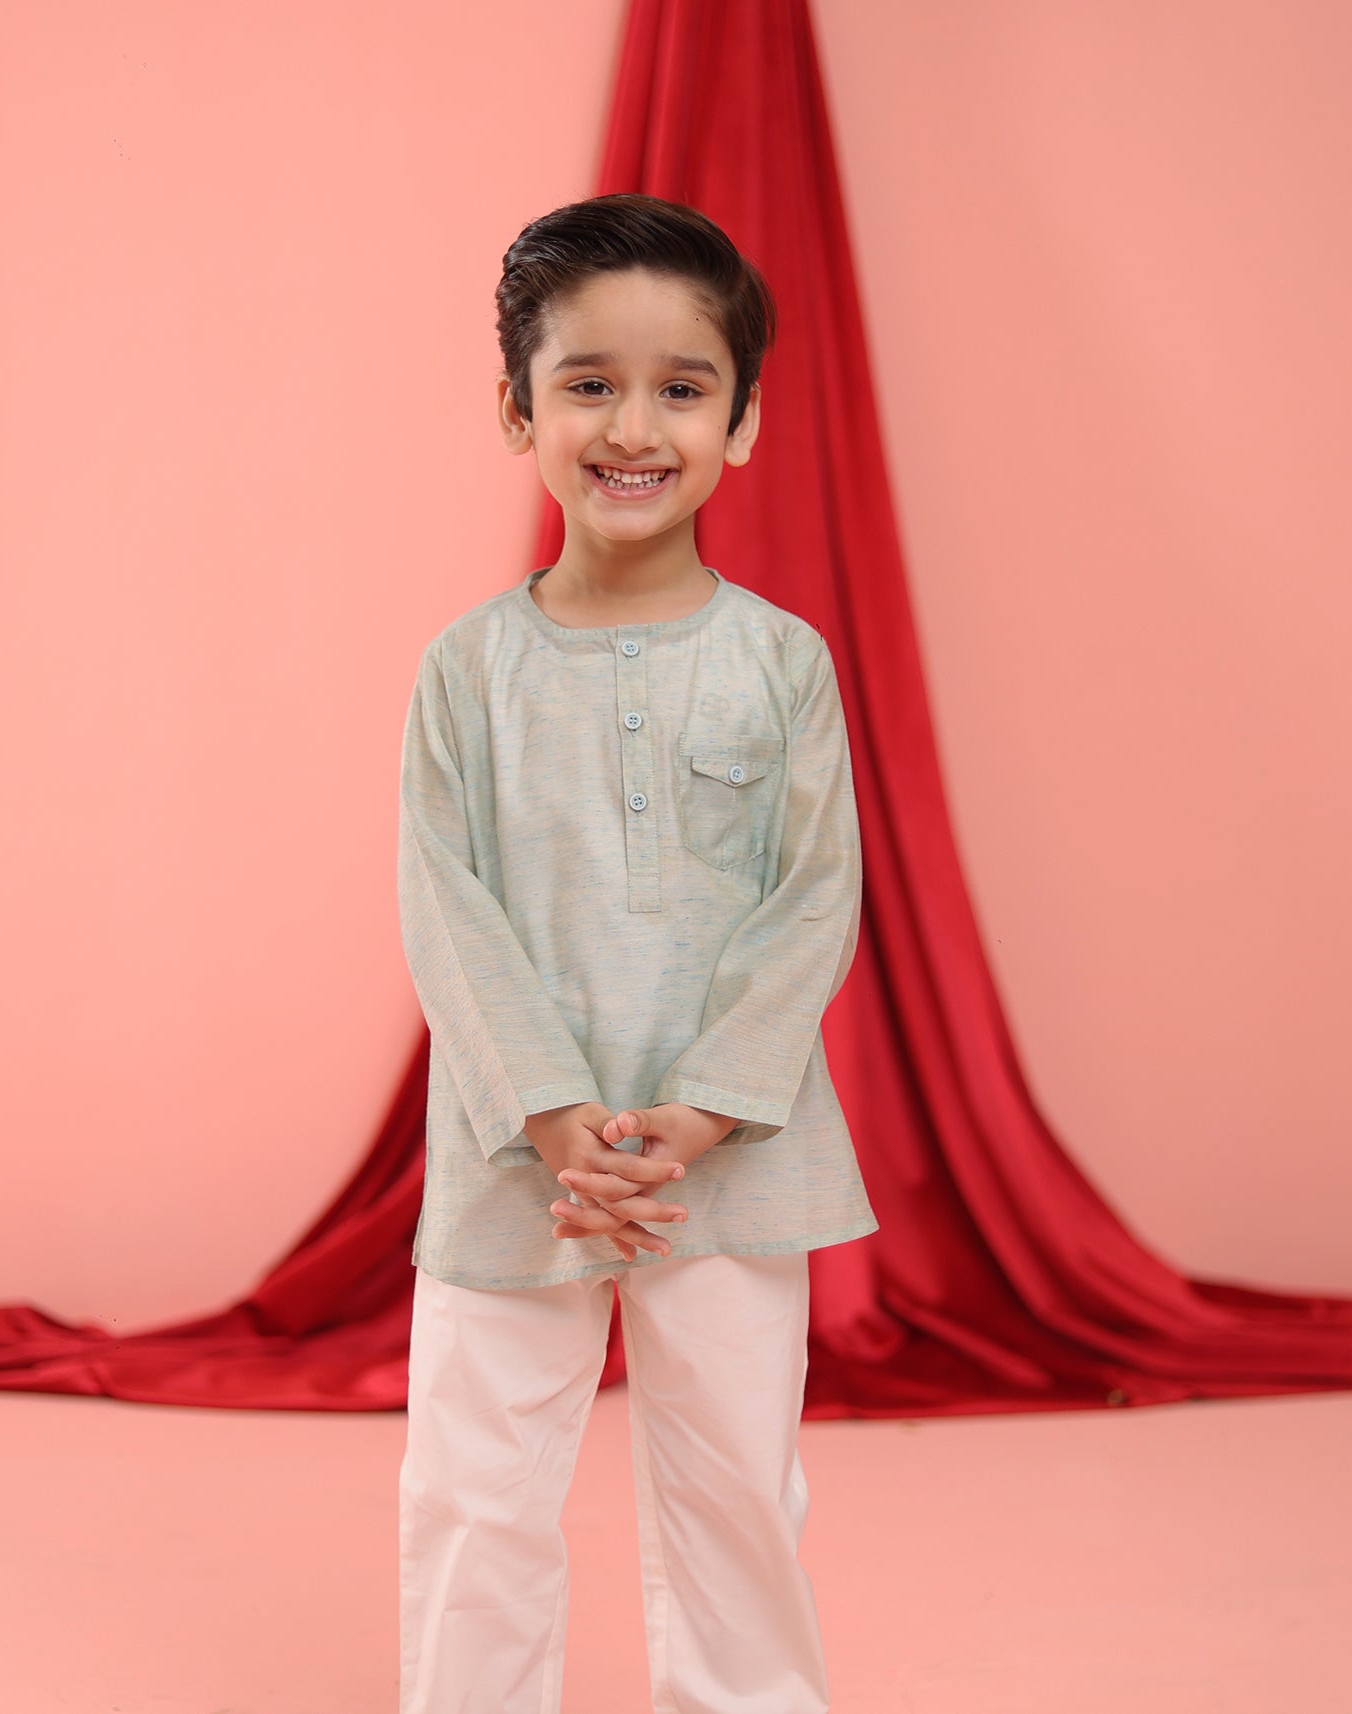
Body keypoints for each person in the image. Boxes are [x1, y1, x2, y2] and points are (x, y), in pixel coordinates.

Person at [394, 191, 878, 1714]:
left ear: (742, 422)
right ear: (515, 410)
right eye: (588, 382)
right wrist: (552, 1116)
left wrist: (706, 1111)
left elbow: (815, 899)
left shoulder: (782, 663)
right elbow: (444, 907)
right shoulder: (466, 671)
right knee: (474, 1500)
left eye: (682, 387)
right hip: (512, 1165)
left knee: (738, 1497)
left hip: (730, 1168)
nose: (632, 426)